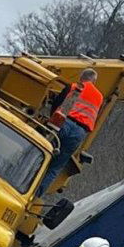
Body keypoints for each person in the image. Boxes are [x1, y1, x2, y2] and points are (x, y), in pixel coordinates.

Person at [37, 68, 104, 196]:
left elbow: (58, 104)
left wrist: (52, 120)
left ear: (81, 78)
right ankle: (35, 196)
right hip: (79, 133)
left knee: (41, 153)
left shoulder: (74, 86)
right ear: (94, 81)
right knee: (55, 167)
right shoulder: (99, 97)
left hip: (64, 123)